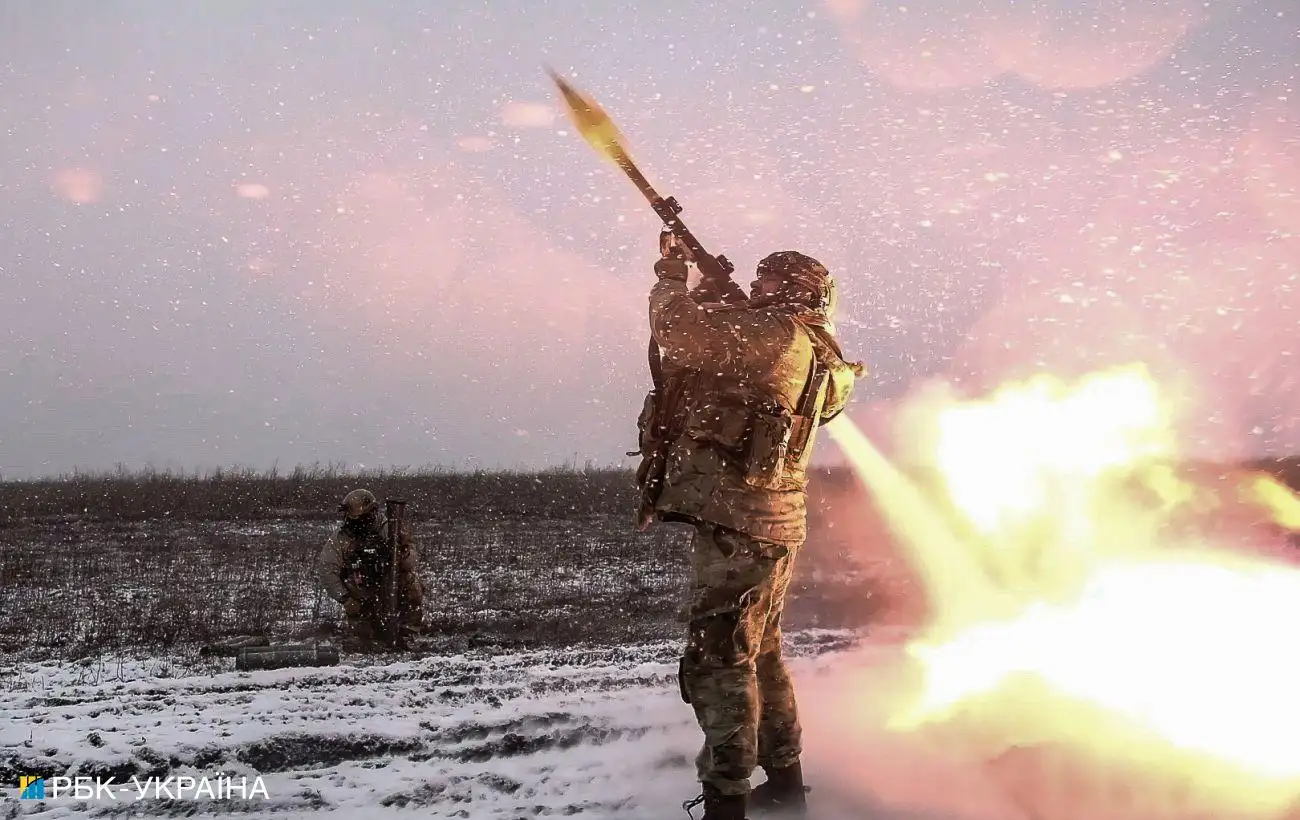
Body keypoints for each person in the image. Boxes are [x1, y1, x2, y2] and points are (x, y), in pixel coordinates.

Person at [635, 235, 863, 820]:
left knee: (718, 662)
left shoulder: (772, 337)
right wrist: (725, 300)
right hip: (776, 522)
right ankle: (786, 784)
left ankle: (726, 801)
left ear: (786, 289)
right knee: (761, 656)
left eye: (765, 283)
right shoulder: (819, 351)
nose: (756, 289)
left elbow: (677, 333)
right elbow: (740, 369)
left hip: (736, 521)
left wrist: (672, 274)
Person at [317, 489, 424, 647]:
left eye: (359, 518)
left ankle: (407, 633)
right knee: (362, 639)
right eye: (351, 518)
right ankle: (363, 633)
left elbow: (412, 561)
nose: (354, 522)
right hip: (361, 586)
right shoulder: (340, 539)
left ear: (371, 514)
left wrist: (403, 553)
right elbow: (327, 571)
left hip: (389, 582)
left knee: (411, 583)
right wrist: (345, 599)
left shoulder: (391, 529)